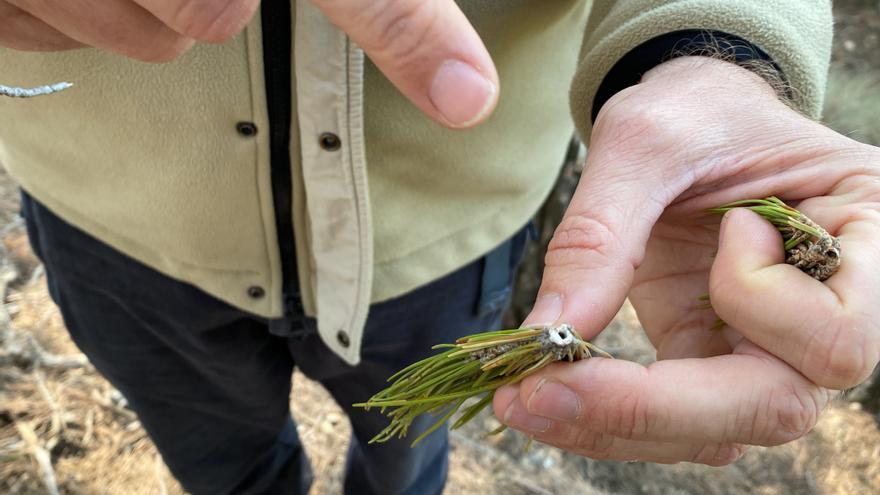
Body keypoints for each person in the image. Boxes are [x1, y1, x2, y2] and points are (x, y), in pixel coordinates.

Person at [1, 0, 877, 493]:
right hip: (115, 234)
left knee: (404, 463)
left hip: (449, 249)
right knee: (223, 467)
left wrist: (713, 54)